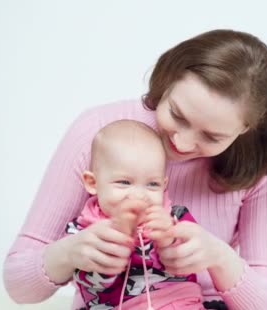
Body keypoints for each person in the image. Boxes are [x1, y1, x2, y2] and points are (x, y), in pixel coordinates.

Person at [3, 29, 267, 310]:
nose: (181, 143)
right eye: (177, 115)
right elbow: (18, 285)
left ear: (246, 128)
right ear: (166, 81)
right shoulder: (98, 132)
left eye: (212, 137)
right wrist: (68, 253)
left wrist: (219, 257)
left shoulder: (257, 164)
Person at [67, 119, 205, 310]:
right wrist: (119, 236)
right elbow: (94, 284)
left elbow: (193, 262)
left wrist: (168, 240)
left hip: (177, 302)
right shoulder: (82, 231)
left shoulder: (176, 217)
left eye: (152, 184)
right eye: (124, 182)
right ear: (92, 183)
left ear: (164, 185)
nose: (139, 195)